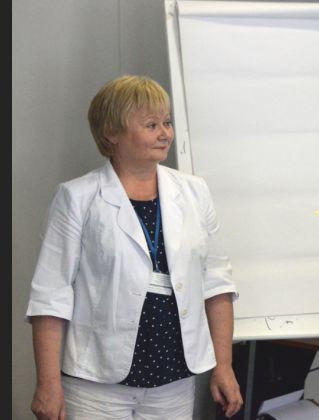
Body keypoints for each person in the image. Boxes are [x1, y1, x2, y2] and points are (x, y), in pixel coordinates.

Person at [26, 75, 243, 419]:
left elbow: (217, 283)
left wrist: (224, 365)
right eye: (151, 125)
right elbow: (50, 297)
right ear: (112, 133)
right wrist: (48, 384)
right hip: (96, 385)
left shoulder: (194, 192)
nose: (165, 133)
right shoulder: (77, 197)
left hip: (173, 381)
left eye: (167, 123)